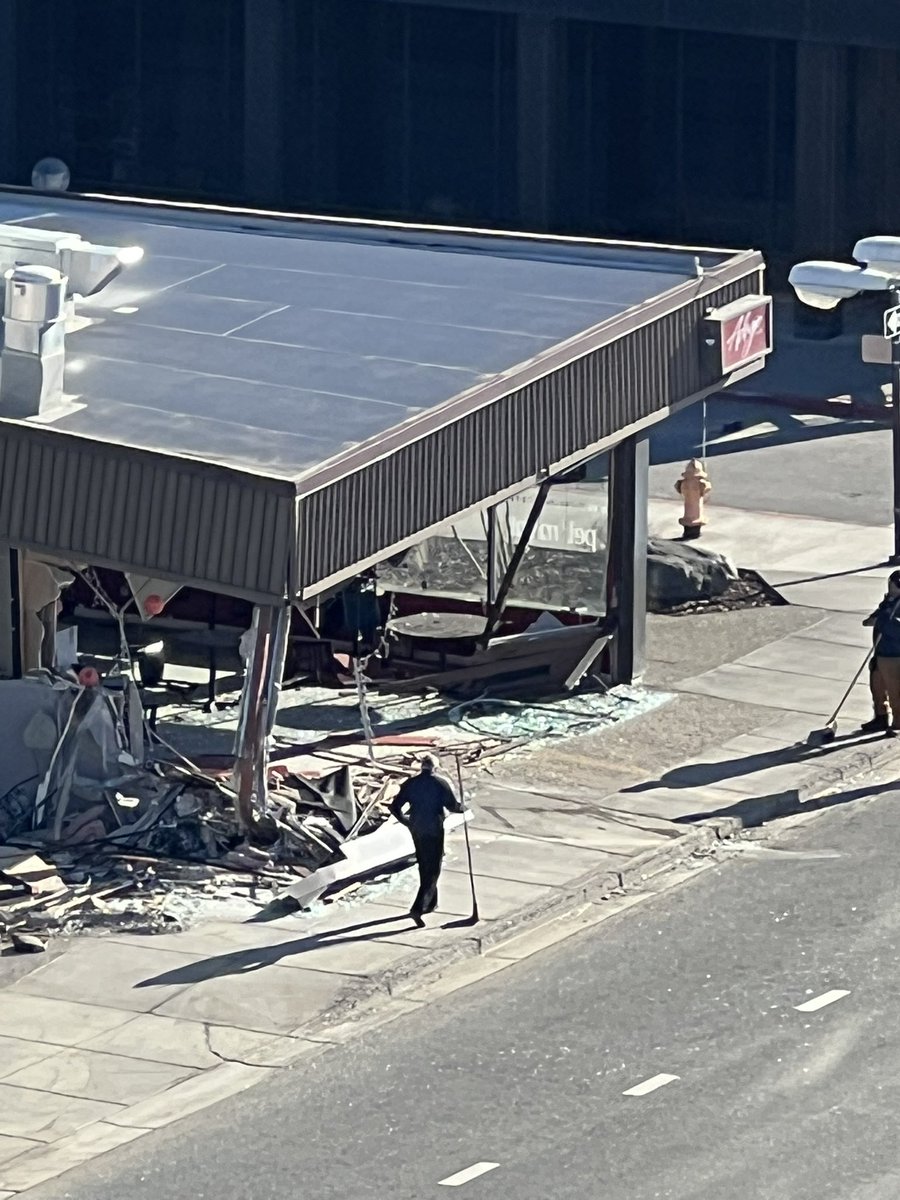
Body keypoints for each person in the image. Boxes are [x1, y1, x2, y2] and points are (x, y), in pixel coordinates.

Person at [389, 753, 464, 927]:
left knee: (425, 864)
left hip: (417, 829)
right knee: (434, 868)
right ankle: (418, 908)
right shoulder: (440, 783)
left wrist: (406, 822)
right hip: (434, 829)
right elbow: (452, 806)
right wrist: (463, 806)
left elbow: (394, 806)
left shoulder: (411, 784)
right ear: (435, 768)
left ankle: (431, 903)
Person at [862, 570, 900, 735]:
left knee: (895, 690)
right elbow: (872, 620)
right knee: (877, 687)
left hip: (894, 654)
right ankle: (880, 717)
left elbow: (896, 629)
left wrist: (882, 621)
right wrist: (877, 618)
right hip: (881, 651)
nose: (890, 588)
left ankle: (898, 721)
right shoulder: (888, 603)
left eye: (893, 585)